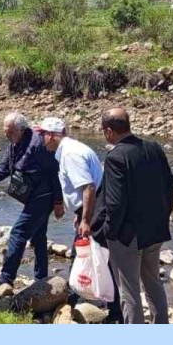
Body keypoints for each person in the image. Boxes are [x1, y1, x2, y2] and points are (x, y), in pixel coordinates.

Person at [89, 107, 173, 324]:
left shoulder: (116, 156)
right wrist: (162, 218)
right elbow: (169, 187)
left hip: (128, 236)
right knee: (154, 283)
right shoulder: (154, 148)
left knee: (129, 291)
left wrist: (110, 232)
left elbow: (115, 203)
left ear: (109, 131)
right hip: (155, 231)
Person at [52, 120, 120, 322]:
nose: (39, 139)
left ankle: (112, 311)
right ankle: (95, 299)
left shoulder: (70, 154)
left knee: (91, 256)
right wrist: (79, 212)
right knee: (92, 255)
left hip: (95, 210)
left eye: (41, 134)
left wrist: (86, 219)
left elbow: (88, 187)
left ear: (51, 135)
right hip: (93, 207)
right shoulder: (73, 148)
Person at [0, 115, 64, 286]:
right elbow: (5, 168)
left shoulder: (39, 144)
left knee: (17, 234)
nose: (7, 136)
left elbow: (55, 174)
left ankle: (6, 278)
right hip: (32, 195)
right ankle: (41, 277)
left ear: (21, 130)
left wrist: (58, 203)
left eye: (10, 132)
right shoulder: (15, 142)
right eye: (5, 132)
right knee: (39, 236)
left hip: (44, 197)